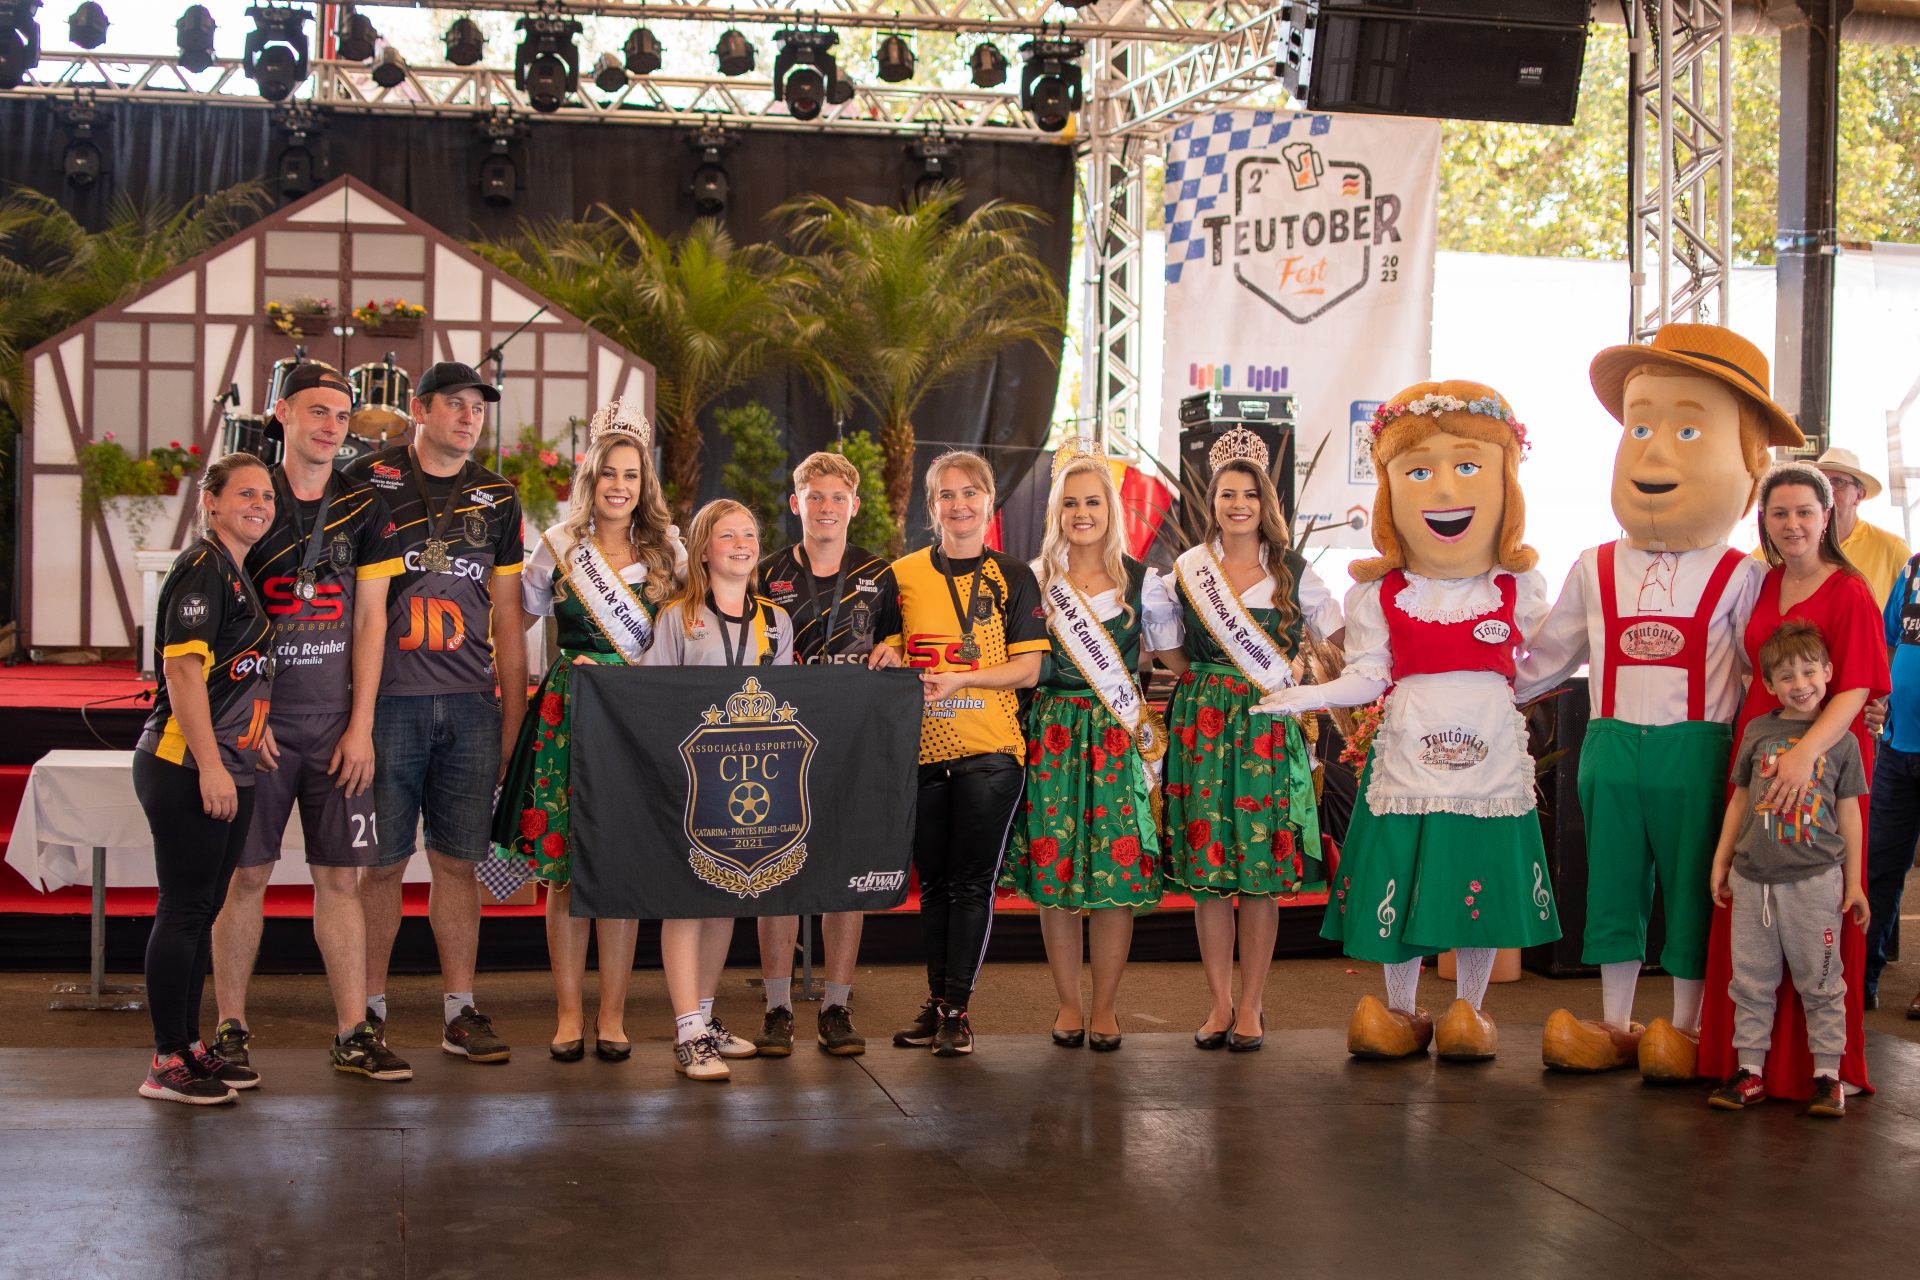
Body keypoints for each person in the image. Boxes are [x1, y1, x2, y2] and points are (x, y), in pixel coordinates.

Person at [1517, 323, 1790, 1080]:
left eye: (1688, 431)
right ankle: (1615, 1022)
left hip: (1696, 750)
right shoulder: (1594, 564)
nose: (1655, 452)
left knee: (1695, 886)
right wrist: (1466, 685)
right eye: (1640, 429)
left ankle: (1687, 1026)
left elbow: (1767, 672)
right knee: (1610, 883)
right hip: (1610, 748)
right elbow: (1544, 658)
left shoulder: (1742, 574)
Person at [1261, 382, 1560, 1062]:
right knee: (1403, 872)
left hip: (1487, 760)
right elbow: (1370, 673)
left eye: (1468, 467)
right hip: (1407, 754)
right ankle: (1400, 1011)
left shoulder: (1516, 587)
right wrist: (1305, 695)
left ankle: (1469, 1011)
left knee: (1477, 881)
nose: (1444, 489)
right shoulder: (1381, 592)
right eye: (1419, 472)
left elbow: (1545, 662)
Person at [206, 365, 408, 1084]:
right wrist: (244, 713)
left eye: (342, 415)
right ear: (282, 414)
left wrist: (362, 726)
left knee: (342, 879)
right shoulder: (252, 497)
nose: (331, 426)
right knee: (245, 877)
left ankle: (354, 1032)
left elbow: (373, 620)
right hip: (256, 727)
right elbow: (226, 615)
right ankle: (230, 1028)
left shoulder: (365, 505)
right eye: (317, 411)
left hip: (334, 727)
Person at [346, 361, 528, 1064]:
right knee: (381, 868)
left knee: (458, 865)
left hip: (470, 705)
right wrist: (352, 715)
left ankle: (460, 1010)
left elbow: (508, 616)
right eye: (454, 403)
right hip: (389, 704)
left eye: (477, 407)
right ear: (419, 410)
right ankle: (366, 1013)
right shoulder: (367, 480)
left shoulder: (498, 496)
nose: (468, 416)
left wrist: (512, 718)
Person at [491, 400, 683, 1062]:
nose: (619, 486)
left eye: (631, 475)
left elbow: (688, 634)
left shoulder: (668, 552)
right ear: (590, 478)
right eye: (609, 473)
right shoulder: (556, 547)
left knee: (619, 871)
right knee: (564, 872)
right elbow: (511, 625)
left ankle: (613, 1015)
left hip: (633, 720)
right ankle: (569, 1012)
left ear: (644, 483)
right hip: (567, 718)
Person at [1144, 427, 1341, 1052]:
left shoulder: (1295, 573)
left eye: (1250, 495)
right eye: (1228, 494)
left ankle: (1252, 1004)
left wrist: (1304, 683)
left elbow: (1337, 641)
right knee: (1209, 875)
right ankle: (1219, 1003)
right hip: (1202, 728)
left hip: (1264, 729)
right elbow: (1169, 653)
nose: (1238, 505)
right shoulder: (1187, 572)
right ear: (1213, 502)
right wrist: (1211, 680)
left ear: (1265, 504)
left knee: (1258, 873)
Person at [1696, 462, 1889, 1100]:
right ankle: (1751, 1064)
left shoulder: (1850, 590)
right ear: (1765, 521)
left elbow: (1856, 684)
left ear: (1826, 516)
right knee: (1753, 903)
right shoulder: (1765, 579)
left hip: (1826, 750)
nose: (1792, 524)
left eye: (1804, 511)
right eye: (1779, 513)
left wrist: (1806, 753)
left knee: (1818, 906)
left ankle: (1822, 1069)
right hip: (1761, 740)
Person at [871, 451, 1048, 1058]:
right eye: (946, 494)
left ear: (990, 501)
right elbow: (890, 652)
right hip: (921, 753)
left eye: (970, 492)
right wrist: (891, 656)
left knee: (971, 885)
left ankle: (957, 1011)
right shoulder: (902, 575)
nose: (959, 504)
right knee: (935, 887)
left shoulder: (1014, 575)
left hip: (991, 753)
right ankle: (937, 1000)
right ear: (932, 507)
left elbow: (1028, 670)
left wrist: (964, 679)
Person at [1000, 445, 1163, 1052]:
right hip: (1053, 734)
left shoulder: (1144, 583)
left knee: (1114, 874)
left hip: (1115, 738)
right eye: (1070, 503)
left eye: (1093, 501)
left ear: (1111, 509)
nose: (1082, 513)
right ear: (1056, 512)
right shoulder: (1035, 579)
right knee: (1058, 873)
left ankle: (1106, 1007)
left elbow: (1172, 657)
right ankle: (1068, 1003)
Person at [133, 453, 277, 1104]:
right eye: (245, 494)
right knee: (185, 909)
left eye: (267, 496)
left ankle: (190, 1047)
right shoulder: (202, 566)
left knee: (201, 909)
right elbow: (183, 672)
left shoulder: (234, 571)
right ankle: (166, 1060)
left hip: (227, 759)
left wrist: (254, 731)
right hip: (186, 763)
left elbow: (233, 673)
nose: (259, 505)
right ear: (210, 502)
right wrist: (213, 765)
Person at [751, 451, 899, 1057]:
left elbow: (897, 641)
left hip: (852, 739)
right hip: (781, 738)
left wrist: (893, 648)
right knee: (776, 872)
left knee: (845, 872)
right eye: (815, 497)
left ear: (854, 506)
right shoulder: (765, 572)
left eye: (838, 497)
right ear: (796, 504)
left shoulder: (879, 573)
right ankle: (777, 1008)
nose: (827, 507)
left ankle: (837, 1005)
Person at [642, 499, 796, 1081]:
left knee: (726, 895)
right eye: (727, 535)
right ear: (703, 548)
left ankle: (705, 1020)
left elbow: (788, 704)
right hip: (691, 781)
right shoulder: (676, 617)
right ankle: (686, 1031)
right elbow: (654, 701)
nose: (741, 544)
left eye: (749, 534)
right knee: (686, 900)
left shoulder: (775, 621)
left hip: (752, 784)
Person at [1705, 620, 1869, 1117]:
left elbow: (1850, 815)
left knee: (1822, 982)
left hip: (1816, 881)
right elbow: (1739, 801)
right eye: (1787, 676)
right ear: (1768, 684)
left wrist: (1855, 882)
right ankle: (1750, 1071)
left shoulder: (1841, 742)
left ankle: (1828, 1077)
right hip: (1752, 880)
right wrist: (1723, 860)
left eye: (1809, 672)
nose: (1800, 684)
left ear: (1828, 672)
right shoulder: (1757, 731)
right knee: (1751, 981)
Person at [1866, 551, 1920, 1016]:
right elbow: (1887, 644)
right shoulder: (1913, 569)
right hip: (1897, 748)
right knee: (1878, 866)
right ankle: (1862, 977)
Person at [1815, 447, 1908, 607]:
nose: (1827, 490)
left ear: (1859, 495)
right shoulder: (1795, 543)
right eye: (1821, 481)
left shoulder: (1891, 548)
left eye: (1838, 482)